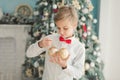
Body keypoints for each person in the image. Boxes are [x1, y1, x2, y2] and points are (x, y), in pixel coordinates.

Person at [26, 5, 85, 80]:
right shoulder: (50, 39)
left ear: (74, 25)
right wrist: (40, 44)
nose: (61, 32)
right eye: (58, 28)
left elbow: (79, 73)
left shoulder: (79, 48)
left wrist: (65, 66)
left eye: (65, 28)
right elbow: (29, 54)